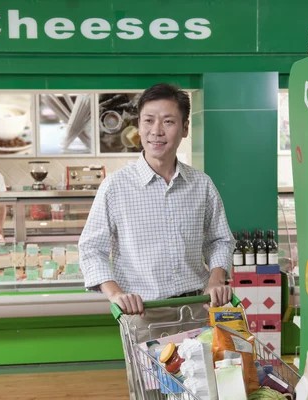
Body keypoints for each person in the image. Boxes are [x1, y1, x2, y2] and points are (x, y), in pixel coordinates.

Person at [79, 83, 235, 395]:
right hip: (143, 315)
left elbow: (221, 239)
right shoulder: (115, 187)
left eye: (168, 121)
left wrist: (217, 278)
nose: (156, 131)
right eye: (148, 120)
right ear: (138, 127)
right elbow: (90, 249)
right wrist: (115, 294)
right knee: (153, 394)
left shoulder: (201, 185)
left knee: (206, 391)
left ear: (185, 128)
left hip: (197, 309)